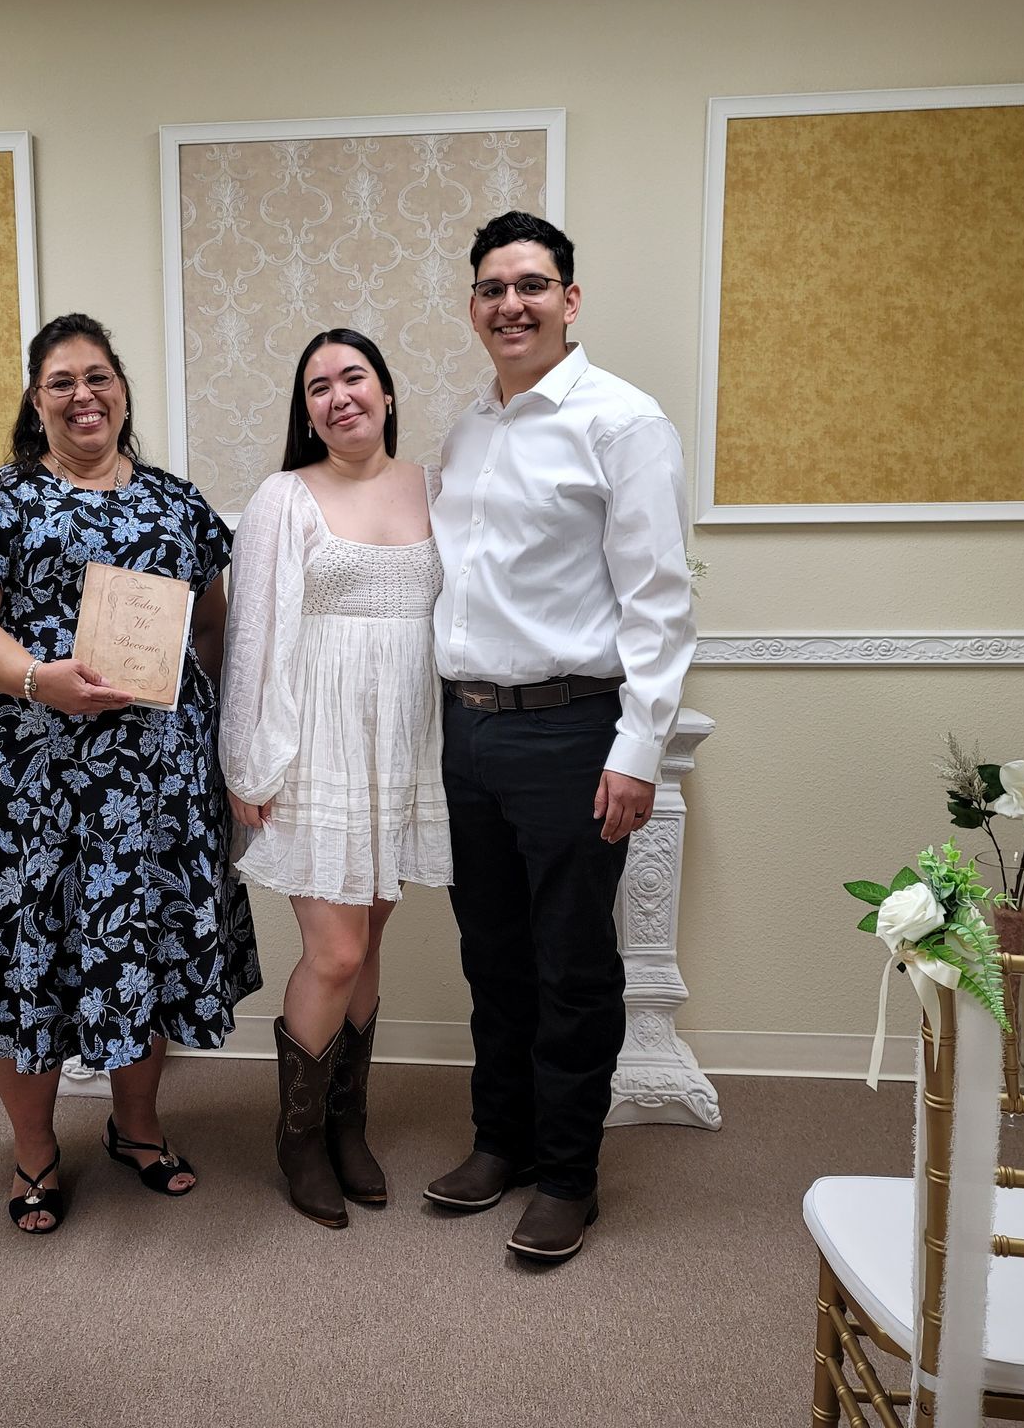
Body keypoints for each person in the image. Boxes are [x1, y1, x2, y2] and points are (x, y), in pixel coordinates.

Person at [0, 312, 261, 1235]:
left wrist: (224, 747)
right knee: (21, 958)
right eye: (61, 381)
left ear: (122, 391)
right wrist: (41, 680)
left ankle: (137, 1130)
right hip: (18, 779)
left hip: (152, 785)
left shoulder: (181, 507)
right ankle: (34, 1152)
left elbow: (217, 630)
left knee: (136, 953)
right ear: (37, 400)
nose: (83, 395)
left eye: (98, 376)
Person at [425, 213, 695, 1264]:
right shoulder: (466, 430)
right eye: (492, 289)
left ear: (570, 301)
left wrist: (637, 750)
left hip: (574, 732)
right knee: (490, 959)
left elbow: (660, 603)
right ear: (475, 308)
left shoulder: (624, 424)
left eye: (532, 285)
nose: (511, 304)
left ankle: (570, 1176)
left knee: (573, 966)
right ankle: (503, 1145)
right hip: (471, 733)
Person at [222, 328, 451, 1229]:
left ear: (388, 393)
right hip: (312, 744)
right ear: (306, 410)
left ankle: (350, 1125)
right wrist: (249, 761)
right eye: (318, 386)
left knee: (373, 937)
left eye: (353, 377)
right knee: (336, 950)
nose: (337, 395)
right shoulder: (285, 497)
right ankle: (299, 1136)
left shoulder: (437, 487)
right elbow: (253, 638)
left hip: (402, 747)